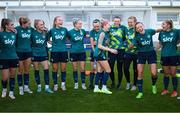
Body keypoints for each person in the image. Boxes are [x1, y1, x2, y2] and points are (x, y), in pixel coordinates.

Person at [134, 22, 161, 99]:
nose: (139, 28)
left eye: (140, 26)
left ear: (143, 26)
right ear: (136, 29)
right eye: (137, 28)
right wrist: (130, 45)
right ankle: (140, 92)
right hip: (141, 54)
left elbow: (156, 30)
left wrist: (164, 29)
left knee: (153, 73)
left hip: (151, 54)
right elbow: (132, 45)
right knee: (140, 73)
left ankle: (153, 85)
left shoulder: (149, 31)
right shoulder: (136, 37)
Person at [93, 19, 118, 94]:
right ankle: (104, 87)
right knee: (108, 70)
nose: (109, 26)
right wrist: (110, 50)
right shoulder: (102, 33)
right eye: (108, 25)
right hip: (100, 54)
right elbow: (99, 45)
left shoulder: (105, 32)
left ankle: (96, 87)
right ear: (104, 25)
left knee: (100, 71)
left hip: (99, 54)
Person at [31, 19, 53, 93]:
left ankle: (47, 87)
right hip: (35, 54)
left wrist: (56, 43)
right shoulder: (32, 33)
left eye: (43, 24)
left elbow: (48, 41)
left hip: (43, 54)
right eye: (41, 24)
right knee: (36, 71)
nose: (42, 26)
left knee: (46, 70)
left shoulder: (45, 33)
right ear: (36, 25)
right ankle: (39, 86)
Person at [158, 20, 179, 97]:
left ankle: (175, 91)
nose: (162, 26)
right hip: (164, 55)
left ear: (169, 25)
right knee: (166, 74)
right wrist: (154, 49)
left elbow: (178, 40)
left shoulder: (176, 31)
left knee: (173, 74)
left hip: (173, 55)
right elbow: (160, 43)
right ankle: (166, 89)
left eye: (163, 24)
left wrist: (174, 44)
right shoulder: (161, 33)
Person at [48, 16, 69, 91]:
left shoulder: (65, 30)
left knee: (63, 69)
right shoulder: (52, 30)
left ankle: (63, 84)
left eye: (62, 20)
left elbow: (69, 37)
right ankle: (55, 85)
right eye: (59, 20)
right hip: (54, 51)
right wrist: (53, 43)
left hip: (63, 51)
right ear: (55, 22)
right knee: (55, 69)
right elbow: (47, 38)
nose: (61, 21)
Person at [0, 18, 18, 99]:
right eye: (11, 25)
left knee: (12, 76)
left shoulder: (15, 33)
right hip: (4, 58)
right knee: (4, 77)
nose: (13, 26)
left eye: (13, 24)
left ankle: (11, 92)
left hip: (14, 57)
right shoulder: (1, 34)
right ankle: (4, 89)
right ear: (6, 26)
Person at [16, 16, 33, 95]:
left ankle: (26, 87)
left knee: (27, 70)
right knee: (20, 71)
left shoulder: (30, 29)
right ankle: (20, 88)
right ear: (23, 23)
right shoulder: (17, 29)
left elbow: (38, 31)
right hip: (19, 52)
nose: (30, 24)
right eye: (28, 23)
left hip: (28, 52)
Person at [68, 18, 87, 90]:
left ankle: (83, 83)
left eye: (81, 24)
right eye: (79, 24)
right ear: (75, 24)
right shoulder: (70, 32)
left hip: (82, 52)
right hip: (73, 52)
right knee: (75, 68)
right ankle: (76, 83)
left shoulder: (83, 31)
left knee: (82, 68)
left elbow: (86, 36)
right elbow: (67, 38)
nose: (81, 25)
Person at [108, 16, 127, 89]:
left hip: (121, 50)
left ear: (120, 21)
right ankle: (113, 82)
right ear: (113, 21)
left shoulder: (123, 28)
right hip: (112, 50)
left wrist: (123, 45)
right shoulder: (110, 28)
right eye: (115, 21)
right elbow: (108, 37)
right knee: (111, 67)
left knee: (119, 67)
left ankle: (119, 83)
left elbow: (126, 38)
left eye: (118, 21)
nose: (116, 22)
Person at [123, 16, 138, 91]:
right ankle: (128, 82)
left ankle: (135, 84)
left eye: (131, 22)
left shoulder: (138, 30)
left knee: (136, 69)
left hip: (137, 53)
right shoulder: (126, 29)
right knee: (125, 68)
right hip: (128, 52)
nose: (129, 23)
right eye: (128, 22)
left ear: (135, 22)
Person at [89, 19, 101, 89]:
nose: (96, 28)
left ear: (100, 25)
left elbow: (106, 42)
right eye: (94, 26)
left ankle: (99, 83)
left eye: (97, 26)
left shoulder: (102, 31)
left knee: (100, 69)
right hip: (93, 53)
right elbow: (92, 43)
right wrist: (94, 52)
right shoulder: (92, 32)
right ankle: (91, 84)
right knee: (93, 68)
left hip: (101, 53)